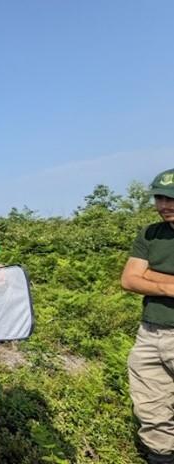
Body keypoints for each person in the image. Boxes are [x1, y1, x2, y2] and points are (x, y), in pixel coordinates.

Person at [121, 168, 174, 464]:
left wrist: (151, 276)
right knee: (151, 409)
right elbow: (129, 280)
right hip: (150, 334)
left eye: (171, 199)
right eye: (160, 198)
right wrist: (169, 287)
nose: (164, 205)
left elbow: (140, 276)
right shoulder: (150, 234)